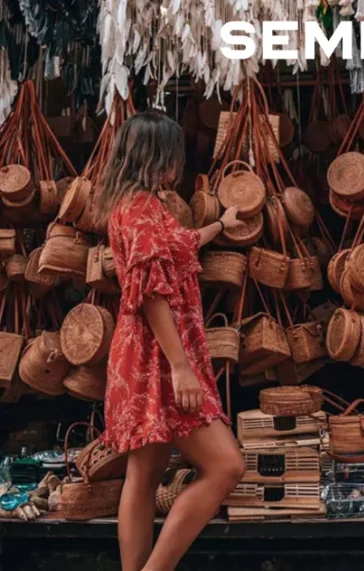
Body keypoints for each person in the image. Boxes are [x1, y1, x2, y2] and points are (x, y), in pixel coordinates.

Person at [95, 111, 246, 571]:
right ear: (157, 156)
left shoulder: (135, 205)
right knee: (226, 466)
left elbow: (179, 245)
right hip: (155, 356)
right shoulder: (140, 210)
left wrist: (222, 223)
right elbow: (151, 294)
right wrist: (181, 366)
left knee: (143, 476)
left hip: (143, 352)